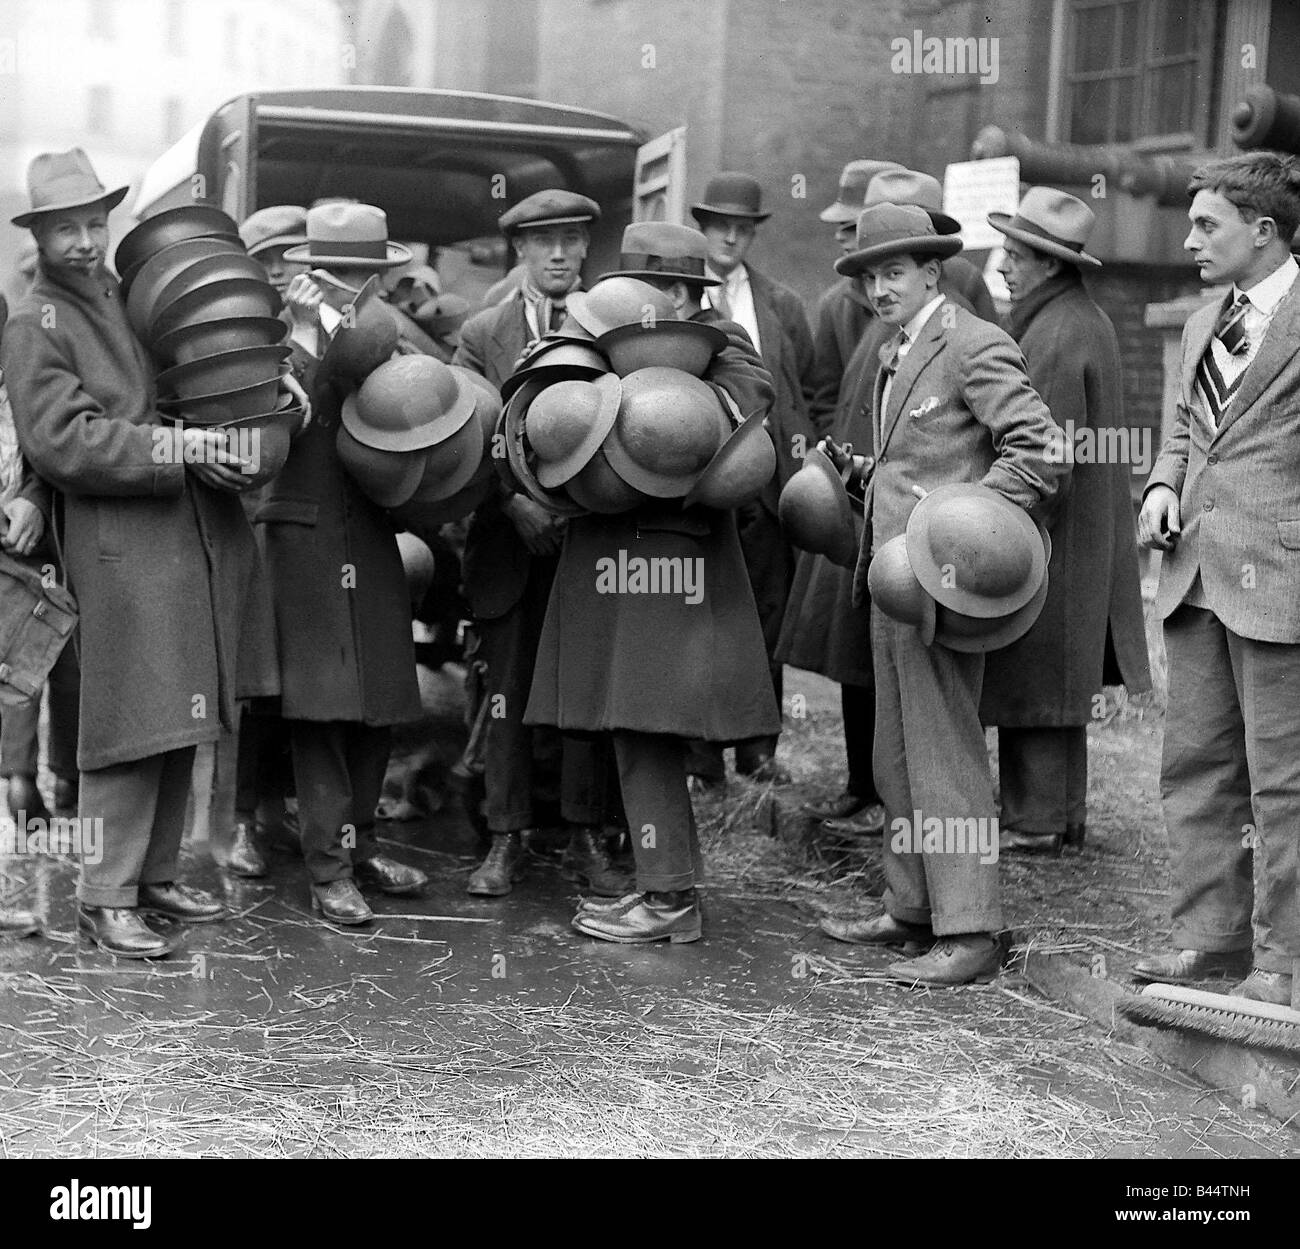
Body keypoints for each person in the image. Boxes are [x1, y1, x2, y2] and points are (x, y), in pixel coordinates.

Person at [1, 149, 287, 958]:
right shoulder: (35, 325)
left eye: (95, 223)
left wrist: (260, 389)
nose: (87, 241)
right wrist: (179, 448)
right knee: (126, 717)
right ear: (41, 236)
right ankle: (103, 895)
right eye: (67, 230)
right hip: (116, 541)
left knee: (178, 707)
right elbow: (64, 443)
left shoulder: (121, 300)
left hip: (176, 535)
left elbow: (186, 380)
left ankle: (155, 873)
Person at [820, 204, 1068, 986]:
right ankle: (912, 908)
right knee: (896, 757)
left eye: (894, 271)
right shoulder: (897, 350)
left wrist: (964, 526)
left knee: (946, 754)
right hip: (895, 584)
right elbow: (920, 462)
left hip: (946, 585)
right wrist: (868, 477)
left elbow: (1039, 452)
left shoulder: (973, 341)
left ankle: (972, 930)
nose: (878, 286)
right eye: (868, 274)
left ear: (932, 272)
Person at [524, 263, 778, 944]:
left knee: (646, 729)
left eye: (670, 289)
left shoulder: (723, 345)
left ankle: (669, 897)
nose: (655, 303)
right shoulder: (582, 343)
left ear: (689, 295)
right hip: (612, 566)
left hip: (666, 572)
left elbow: (747, 415)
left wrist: (666, 388)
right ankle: (662, 886)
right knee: (630, 727)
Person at [1135, 152, 1300, 1006]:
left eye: (1208, 224)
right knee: (1196, 767)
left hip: (1281, 583)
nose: (1190, 238)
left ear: (1262, 231)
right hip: (1195, 576)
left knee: (1286, 781)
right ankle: (1210, 942)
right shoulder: (1204, 324)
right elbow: (1184, 431)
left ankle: (1288, 964)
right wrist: (1164, 483)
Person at [452, 190, 624, 900]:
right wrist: (512, 502)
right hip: (508, 542)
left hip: (586, 542)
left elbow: (627, 431)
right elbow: (458, 438)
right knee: (507, 692)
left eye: (571, 239)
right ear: (517, 250)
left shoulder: (612, 328)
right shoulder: (480, 333)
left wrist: (576, 507)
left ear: (586, 247)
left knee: (584, 692)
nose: (558, 253)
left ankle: (587, 835)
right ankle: (503, 837)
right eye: (542, 240)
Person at [261, 201, 429, 925]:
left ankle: (358, 849)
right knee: (322, 711)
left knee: (380, 703)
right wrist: (302, 337)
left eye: (371, 275)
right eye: (344, 274)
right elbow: (271, 426)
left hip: (370, 535)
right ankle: (327, 869)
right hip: (304, 540)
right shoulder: (276, 335)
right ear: (310, 273)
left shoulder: (394, 335)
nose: (359, 287)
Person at [981, 189, 1150, 854]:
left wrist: (1003, 518)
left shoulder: (1054, 333)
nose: (1002, 266)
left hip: (1060, 534)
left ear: (1050, 265)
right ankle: (1054, 813)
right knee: (1052, 672)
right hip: (1081, 531)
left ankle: (1041, 820)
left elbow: (1046, 456)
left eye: (1015, 255)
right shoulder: (1077, 317)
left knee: (1042, 671)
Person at [687, 172, 818, 787]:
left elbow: (808, 390)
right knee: (701, 615)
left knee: (767, 613)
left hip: (768, 483)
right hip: (702, 482)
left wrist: (799, 465)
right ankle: (700, 753)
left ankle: (758, 747)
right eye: (721, 226)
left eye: (743, 229)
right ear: (703, 229)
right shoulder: (677, 301)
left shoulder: (782, 304)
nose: (731, 237)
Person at [1, 275, 80, 827]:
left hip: (46, 534)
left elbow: (46, 447)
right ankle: (23, 779)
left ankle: (60, 772)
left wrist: (31, 498)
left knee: (53, 654)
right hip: (15, 541)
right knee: (17, 662)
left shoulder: (20, 383)